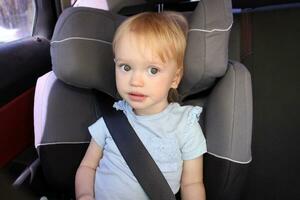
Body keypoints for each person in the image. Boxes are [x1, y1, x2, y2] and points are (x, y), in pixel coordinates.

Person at [75, 11, 207, 200]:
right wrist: (85, 195)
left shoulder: (185, 125)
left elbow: (192, 183)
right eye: (126, 67)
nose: (135, 81)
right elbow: (88, 166)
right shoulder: (112, 119)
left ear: (175, 78)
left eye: (153, 70)